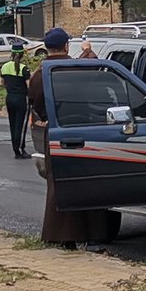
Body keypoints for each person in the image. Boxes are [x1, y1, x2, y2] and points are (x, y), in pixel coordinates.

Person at [25, 28, 116, 249]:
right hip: (85, 129)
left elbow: (35, 102)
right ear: (66, 46)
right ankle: (94, 236)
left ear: (47, 48)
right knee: (90, 181)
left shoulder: (40, 74)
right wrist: (89, 52)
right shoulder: (75, 66)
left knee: (59, 183)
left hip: (56, 133)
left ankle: (63, 236)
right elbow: (96, 80)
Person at [0, 42, 33, 158]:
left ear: (12, 53)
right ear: (22, 54)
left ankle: (15, 148)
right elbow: (29, 86)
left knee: (12, 124)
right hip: (20, 99)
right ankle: (20, 149)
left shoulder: (4, 66)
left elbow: (1, 84)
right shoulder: (24, 69)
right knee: (21, 125)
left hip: (9, 98)